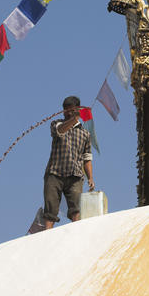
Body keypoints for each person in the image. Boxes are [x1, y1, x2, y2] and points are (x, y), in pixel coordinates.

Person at [43, 96, 94, 229]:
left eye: (70, 110)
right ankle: (46, 236)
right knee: (50, 209)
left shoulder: (85, 134)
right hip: (54, 173)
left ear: (77, 110)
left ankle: (76, 233)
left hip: (75, 175)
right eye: (65, 110)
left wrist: (90, 178)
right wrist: (73, 119)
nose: (67, 112)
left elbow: (87, 158)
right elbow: (60, 131)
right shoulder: (56, 124)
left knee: (76, 209)